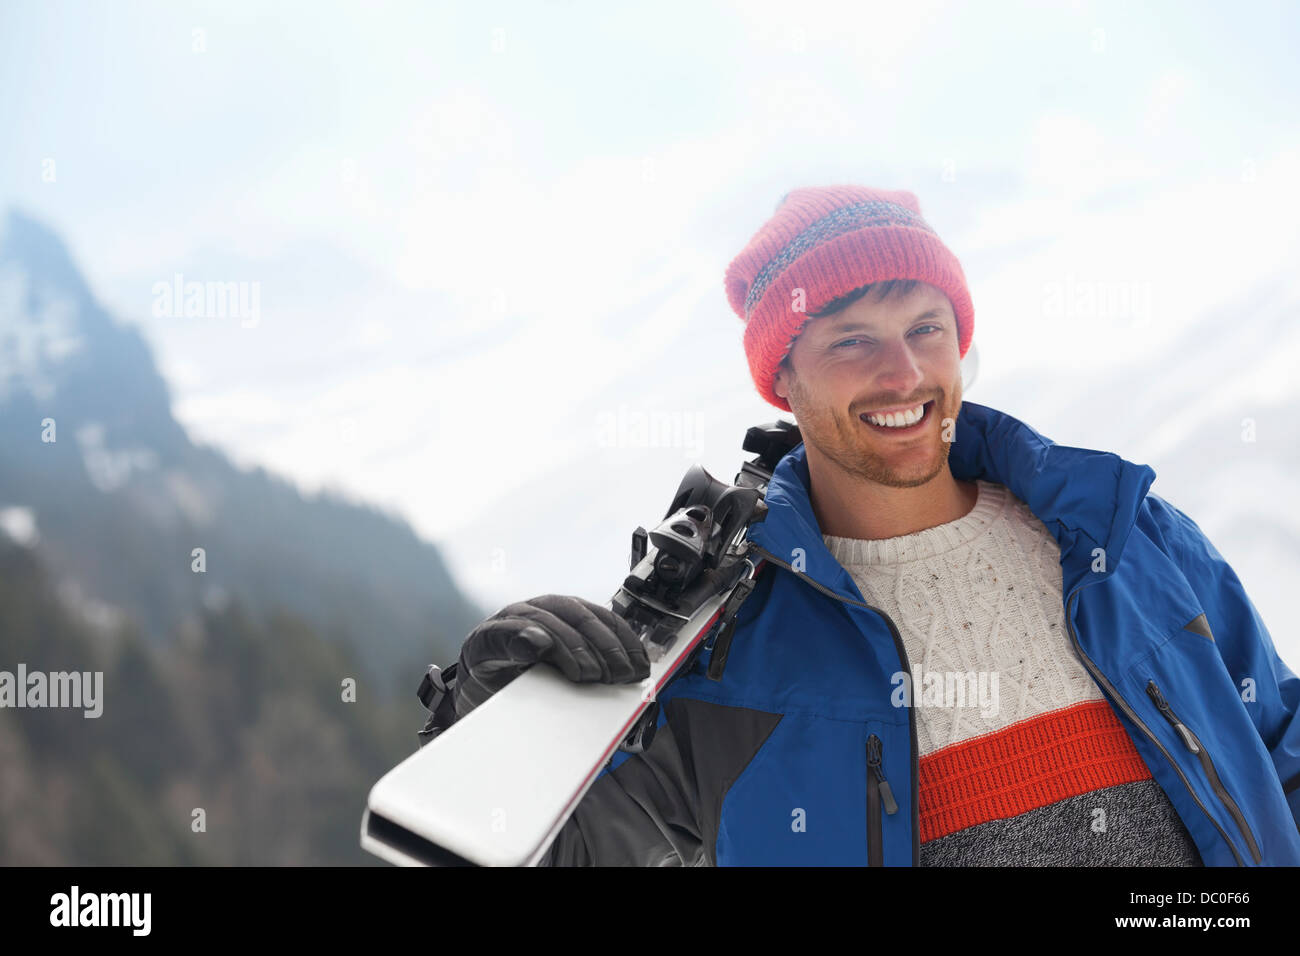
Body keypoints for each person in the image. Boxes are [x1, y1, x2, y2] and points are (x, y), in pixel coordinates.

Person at [429, 184, 1300, 866]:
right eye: (852, 341)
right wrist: (483, 735)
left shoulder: (1125, 538)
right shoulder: (729, 646)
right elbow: (565, 855)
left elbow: (1282, 746)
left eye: (928, 327)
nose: (905, 371)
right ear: (783, 381)